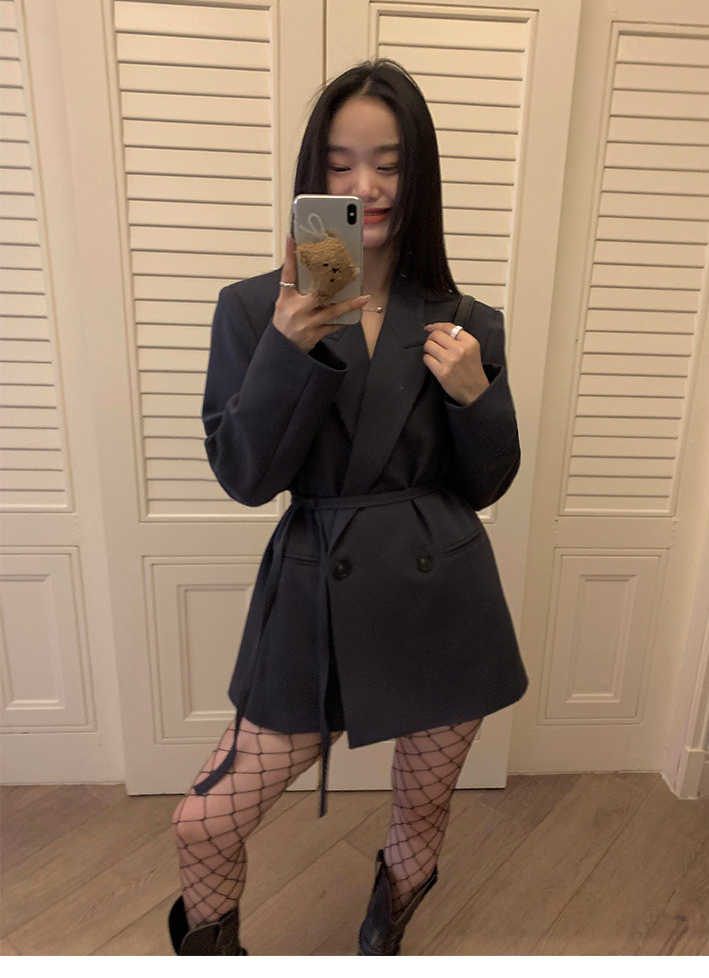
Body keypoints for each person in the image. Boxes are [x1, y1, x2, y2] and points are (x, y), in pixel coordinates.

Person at [168, 58, 528, 956]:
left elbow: (487, 483)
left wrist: (477, 395)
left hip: (441, 598)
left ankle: (387, 927)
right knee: (205, 822)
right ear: (313, 178)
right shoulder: (254, 310)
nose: (365, 186)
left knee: (421, 813)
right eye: (339, 164)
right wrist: (286, 351)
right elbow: (246, 476)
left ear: (420, 175)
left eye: (389, 164)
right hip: (314, 598)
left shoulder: (465, 320)